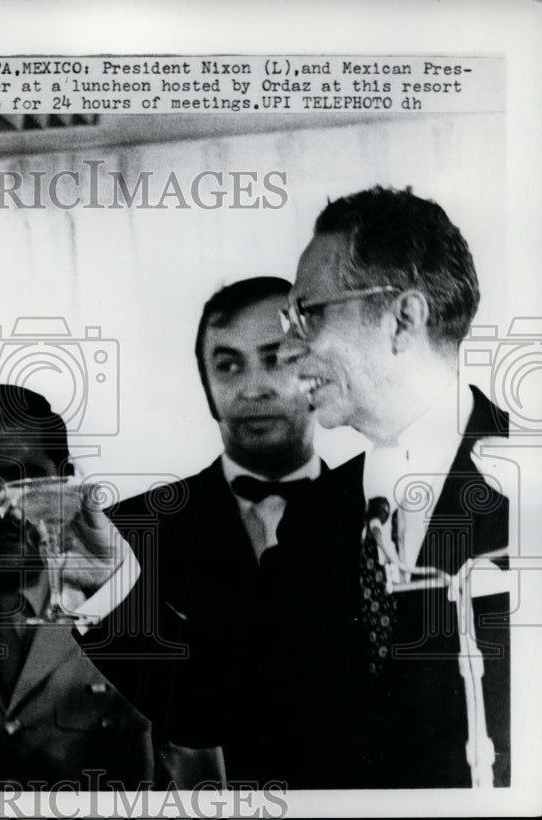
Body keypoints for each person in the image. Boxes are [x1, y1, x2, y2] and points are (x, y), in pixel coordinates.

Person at [271, 185, 510, 788]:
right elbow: (236, 704)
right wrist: (108, 583)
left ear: (405, 318)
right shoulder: (315, 515)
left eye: (309, 313)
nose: (288, 350)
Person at [106, 277, 322, 785]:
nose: (252, 388)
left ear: (317, 369)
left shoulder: (377, 512)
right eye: (227, 365)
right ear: (206, 388)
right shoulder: (130, 531)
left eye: (276, 359)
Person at [0, 384, 155, 789]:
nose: (3, 509)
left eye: (27, 482)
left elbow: (194, 761)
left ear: (66, 483)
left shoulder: (127, 606)